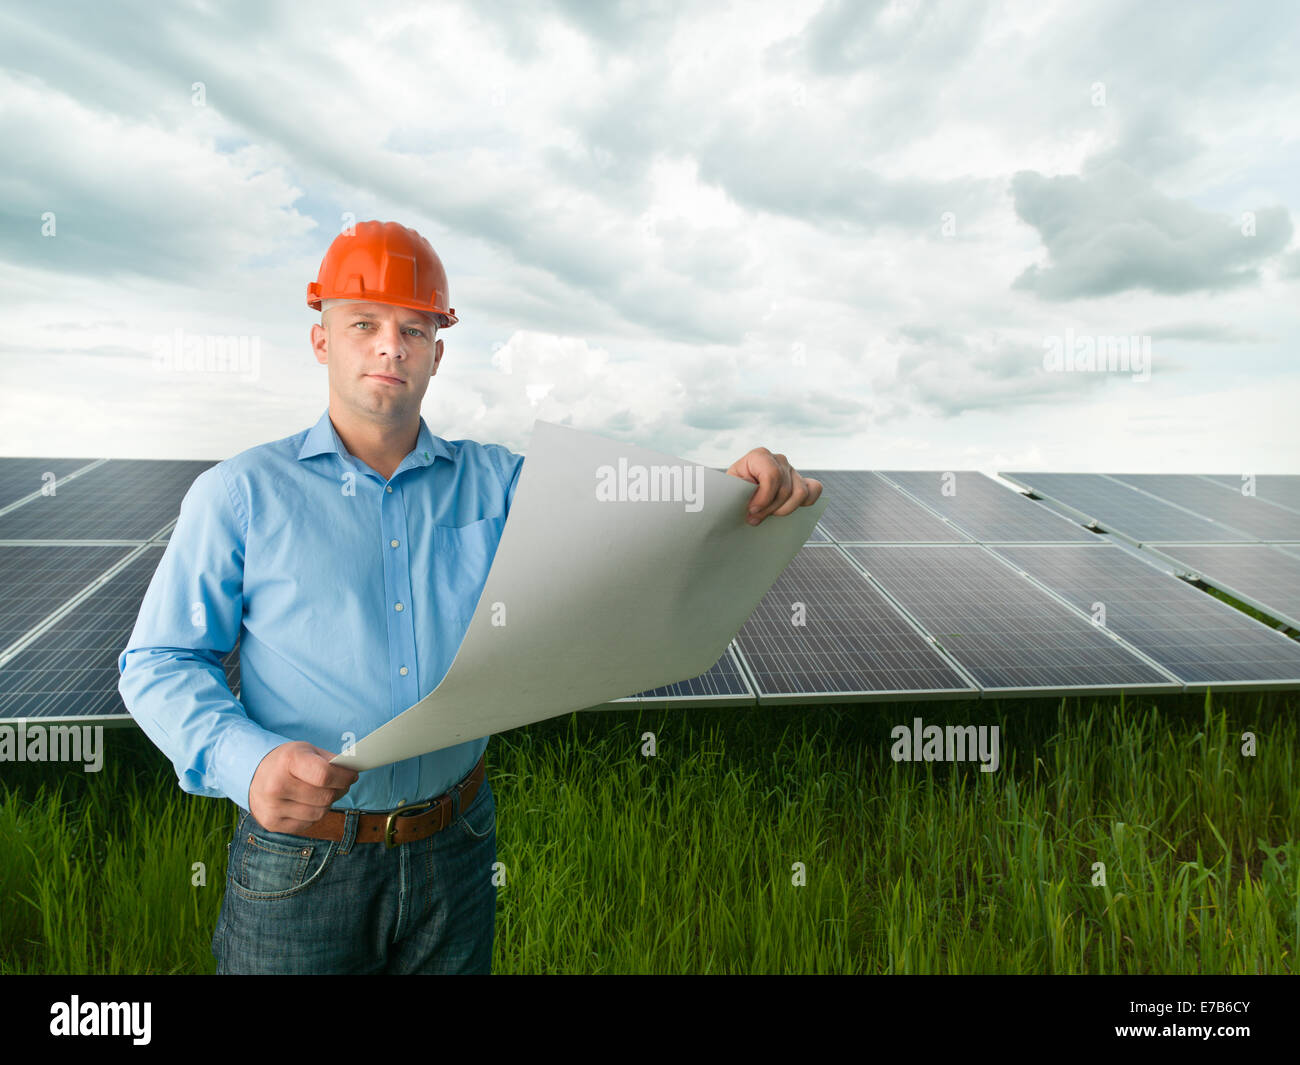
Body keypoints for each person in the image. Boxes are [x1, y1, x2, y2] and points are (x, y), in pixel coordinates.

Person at [117, 220, 824, 975]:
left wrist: (731, 487)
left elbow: (627, 535)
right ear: (322, 340)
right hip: (303, 864)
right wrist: (247, 763)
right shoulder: (240, 494)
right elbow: (159, 661)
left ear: (437, 353)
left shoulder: (502, 483)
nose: (390, 345)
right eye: (364, 324)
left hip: (457, 848)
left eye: (413, 329)